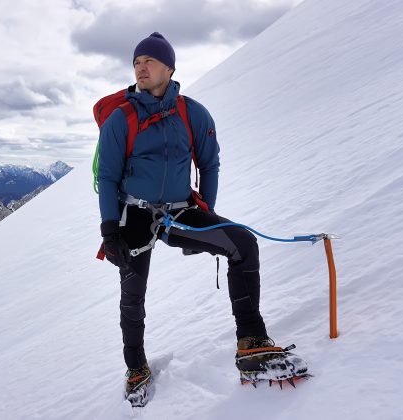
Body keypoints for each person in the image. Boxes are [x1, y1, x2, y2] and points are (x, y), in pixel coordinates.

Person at [97, 32, 275, 399]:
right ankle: (135, 367)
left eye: (148, 60)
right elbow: (108, 177)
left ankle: (252, 342)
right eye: (136, 62)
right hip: (134, 215)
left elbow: (209, 164)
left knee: (243, 245)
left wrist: (208, 211)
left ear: (169, 68)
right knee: (133, 293)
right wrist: (110, 231)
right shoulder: (121, 119)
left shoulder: (192, 113)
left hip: (181, 211)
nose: (140, 67)